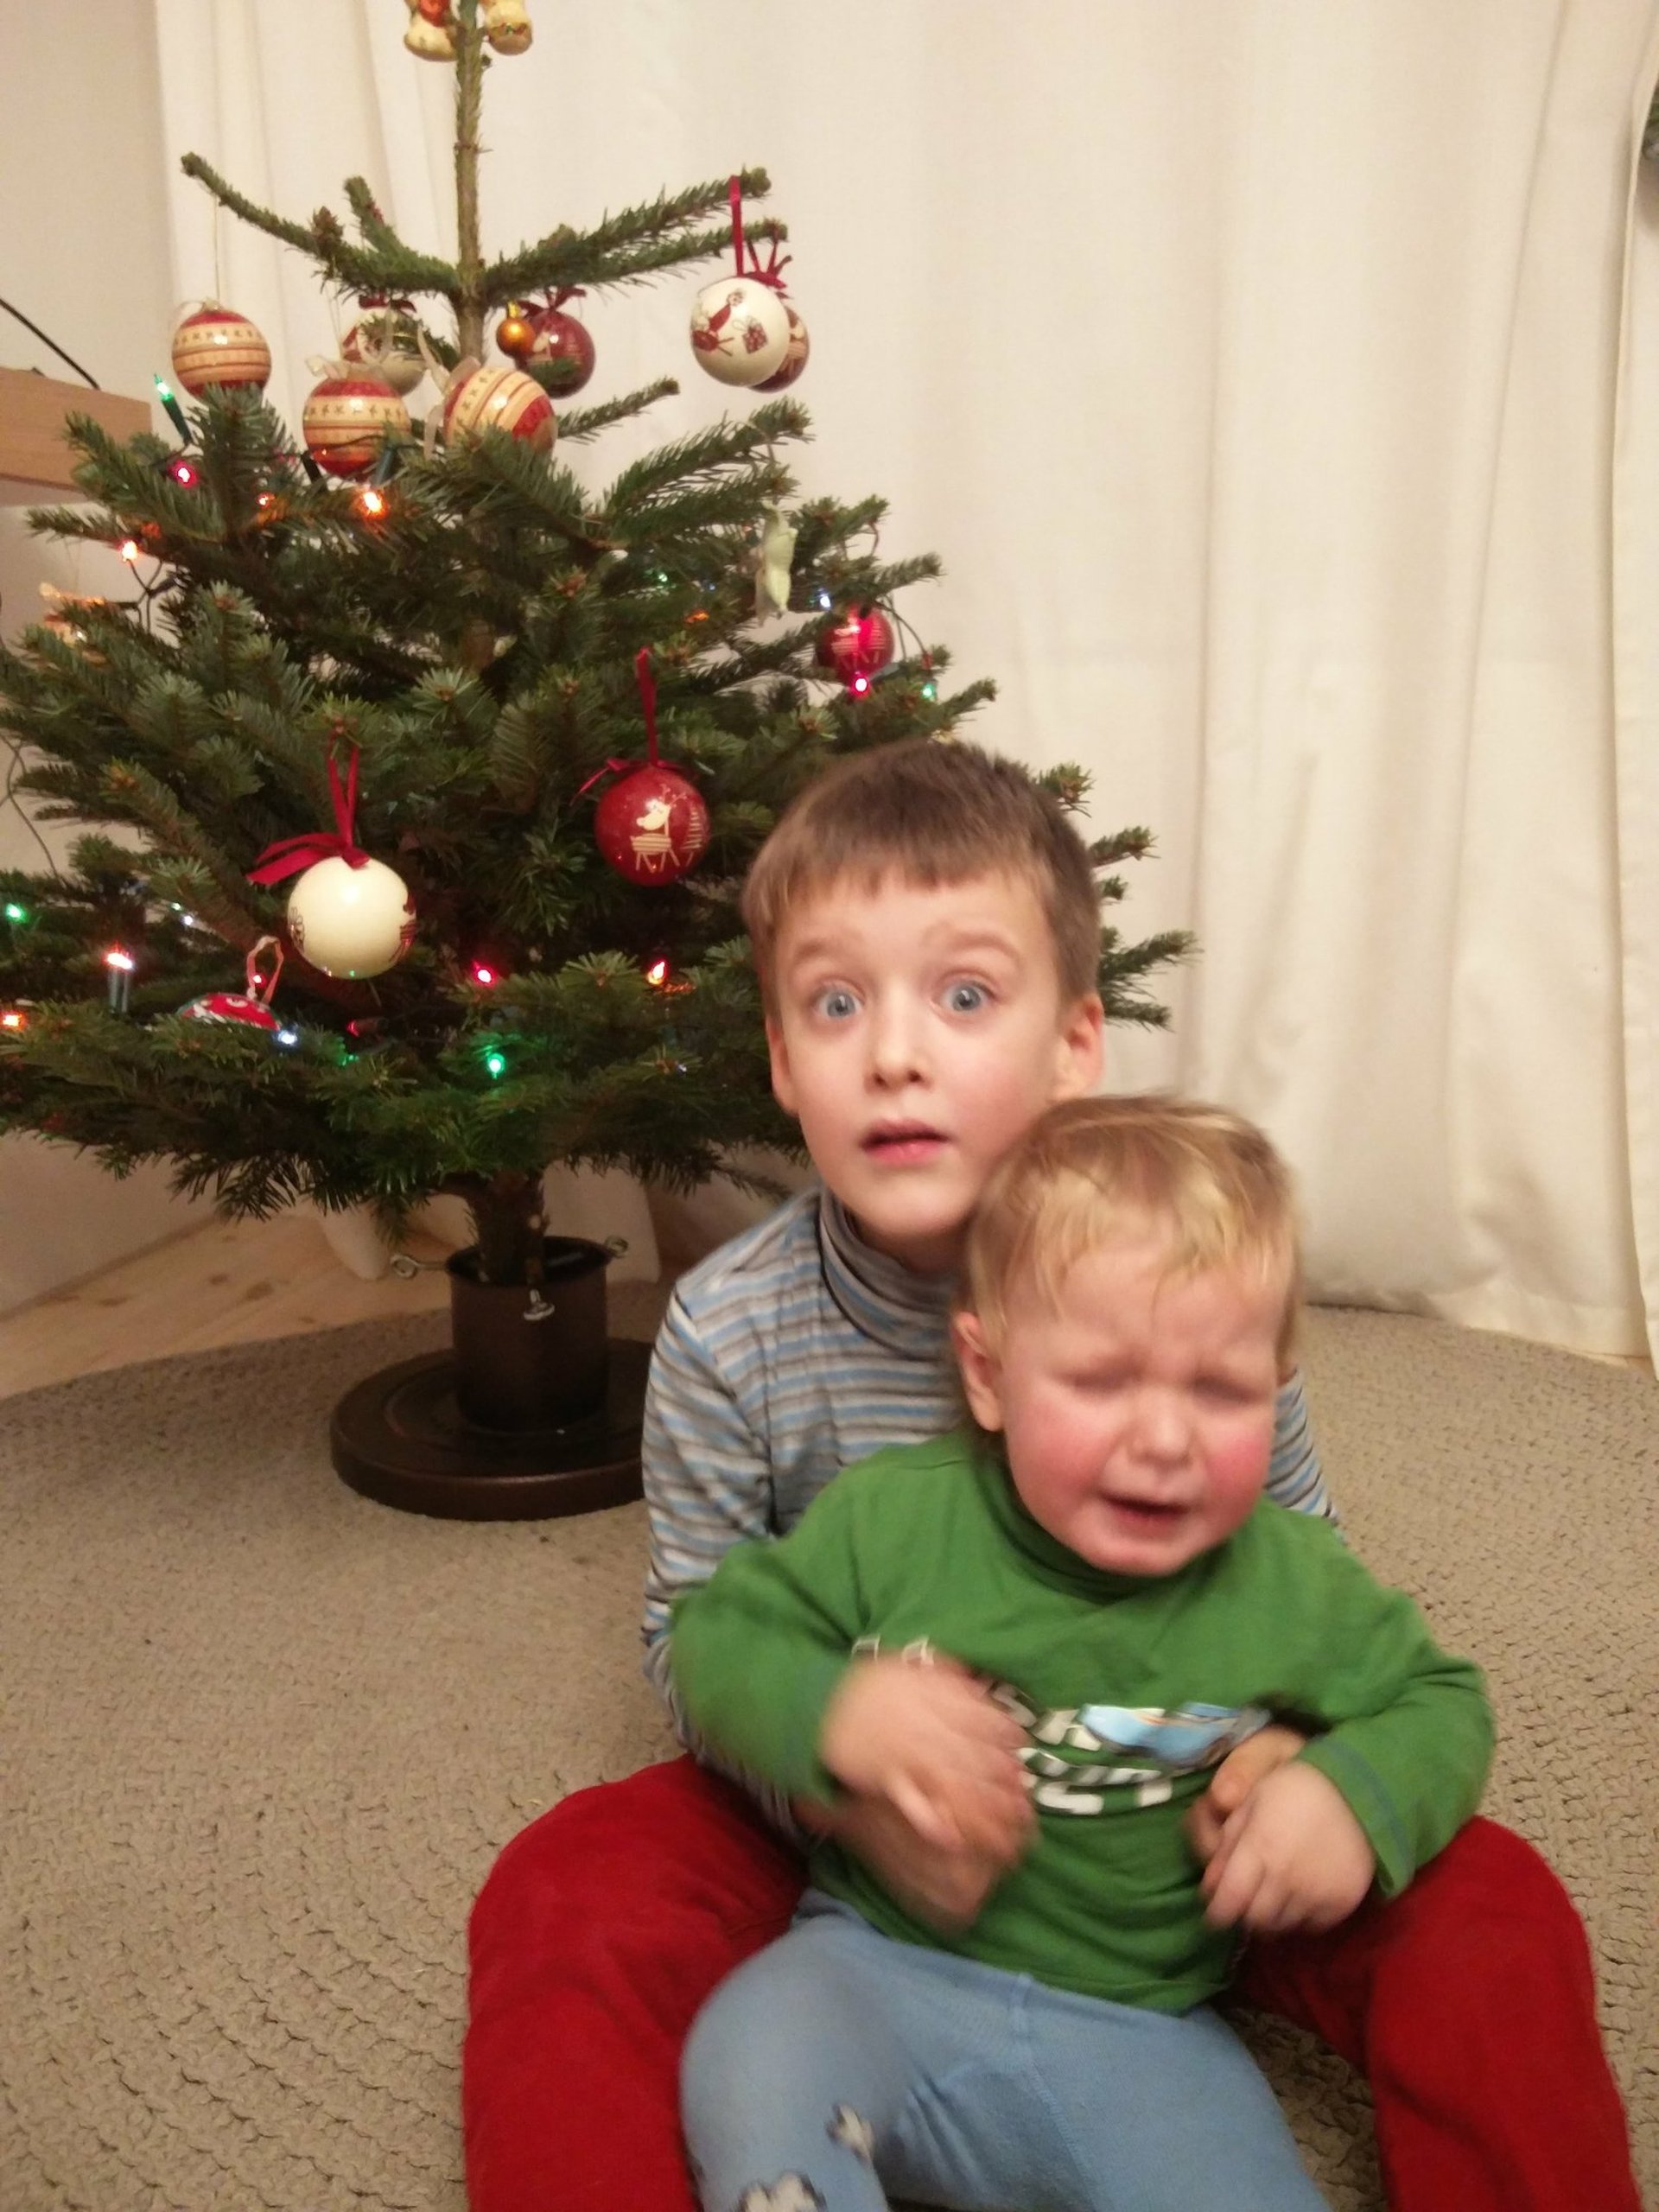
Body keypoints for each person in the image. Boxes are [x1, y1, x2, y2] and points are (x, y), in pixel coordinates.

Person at [462, 740, 1640, 2212]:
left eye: (963, 997)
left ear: (1075, 1043)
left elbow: (1303, 1584)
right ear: (780, 1058)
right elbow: (693, 1638)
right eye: (837, 1004)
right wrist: (843, 1751)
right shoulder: (729, 1328)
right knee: (570, 1886)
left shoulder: (1188, 1292)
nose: (894, 1053)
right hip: (852, 1839)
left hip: (1175, 1830)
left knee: (1491, 1907)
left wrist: (1302, 1771)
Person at [670, 1094, 1494, 2212]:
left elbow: (1443, 1702)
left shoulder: (1290, 1582)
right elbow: (718, 1633)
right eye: (1101, 1382)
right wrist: (837, 1711)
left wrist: (1349, 1796)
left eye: (1221, 1389)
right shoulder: (891, 1522)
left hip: (1144, 2032)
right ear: (987, 1376)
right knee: (747, 2056)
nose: (1163, 1441)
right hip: (871, 1971)